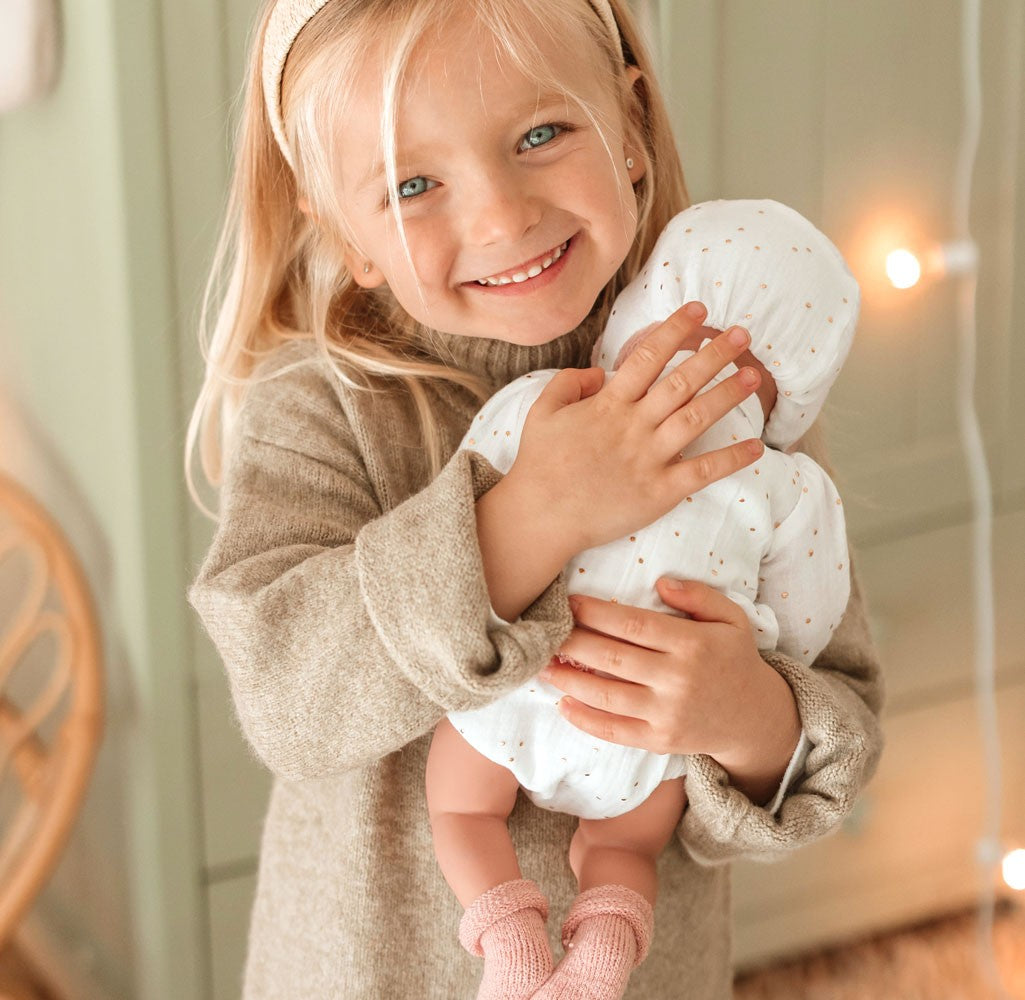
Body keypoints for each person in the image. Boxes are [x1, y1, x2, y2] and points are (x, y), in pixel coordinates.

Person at [185, 2, 884, 998]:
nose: (500, 217)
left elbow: (839, 720)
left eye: (540, 134)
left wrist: (746, 715)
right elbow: (288, 696)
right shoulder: (323, 405)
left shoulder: (721, 379)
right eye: (413, 184)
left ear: (630, 129)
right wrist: (530, 515)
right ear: (347, 231)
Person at [429, 196, 859, 997]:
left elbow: (461, 499)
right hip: (647, 736)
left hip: (526, 688)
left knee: (461, 811)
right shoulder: (787, 484)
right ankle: (600, 960)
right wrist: (758, 665)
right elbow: (808, 620)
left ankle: (509, 943)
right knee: (624, 851)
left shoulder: (555, 401)